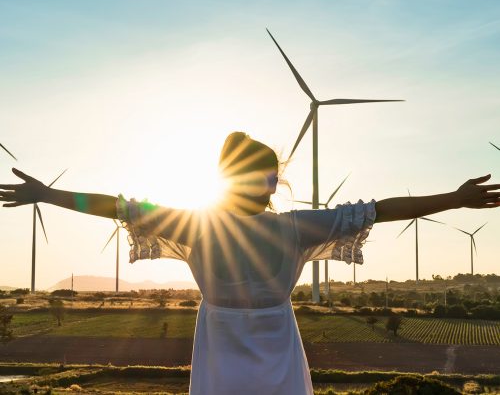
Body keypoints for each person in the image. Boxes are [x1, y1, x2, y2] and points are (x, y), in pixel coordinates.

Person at [1, 131, 499, 395]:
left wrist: (453, 200)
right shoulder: (273, 227)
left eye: (267, 174)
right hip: (242, 337)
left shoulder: (212, 225)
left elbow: (381, 210)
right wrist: (48, 193)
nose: (261, 182)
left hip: (250, 336)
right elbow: (117, 205)